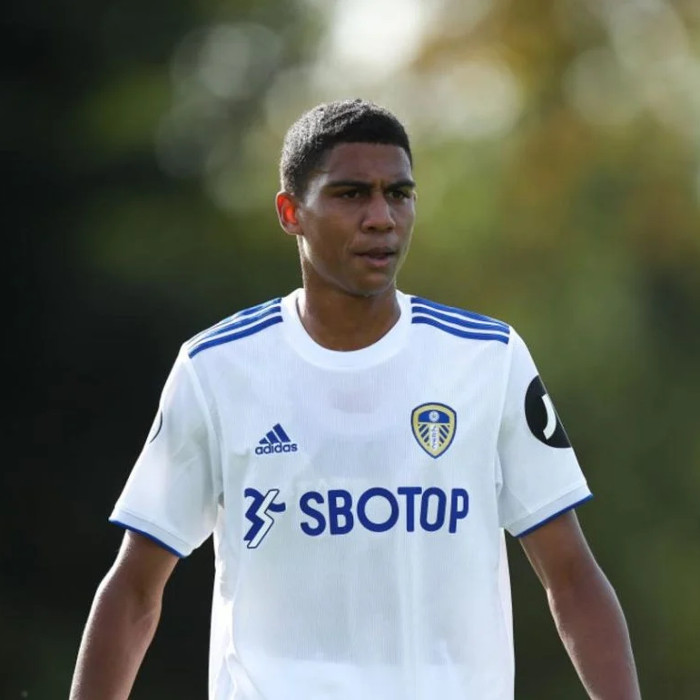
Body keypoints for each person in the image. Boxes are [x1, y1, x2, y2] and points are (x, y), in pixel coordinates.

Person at [70, 99, 640, 699]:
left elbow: (571, 577)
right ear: (291, 212)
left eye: (399, 194)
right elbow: (134, 590)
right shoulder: (217, 368)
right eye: (350, 195)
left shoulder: (487, 359)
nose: (381, 218)